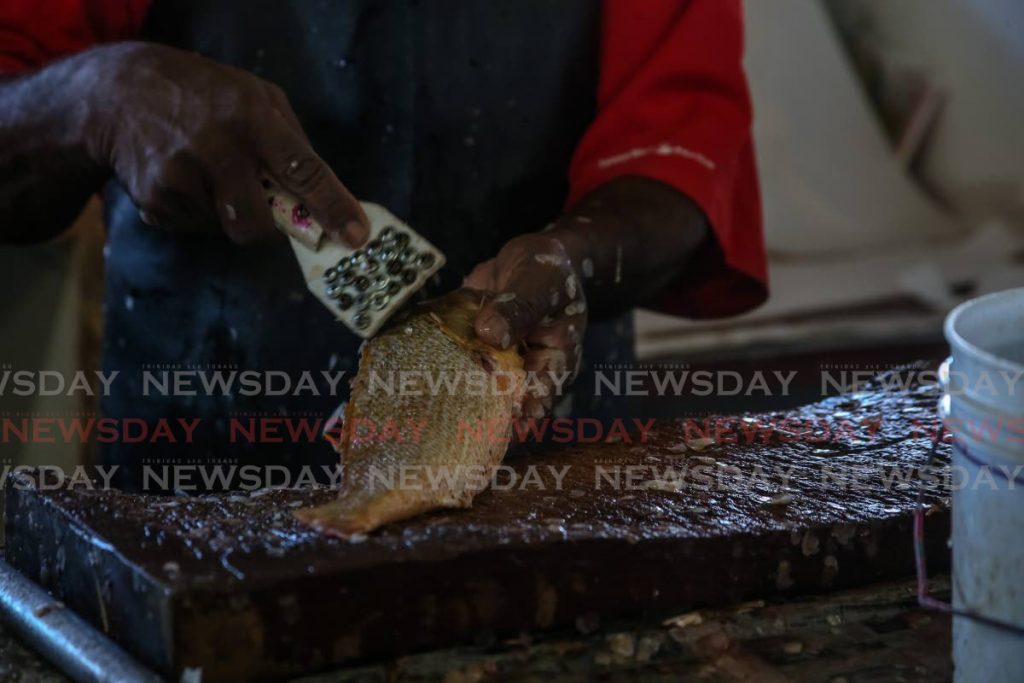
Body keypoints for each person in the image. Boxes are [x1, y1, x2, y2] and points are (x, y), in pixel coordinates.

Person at [0, 0, 767, 489]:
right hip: (203, 472)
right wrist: (92, 97)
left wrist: (577, 256)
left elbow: (679, 144)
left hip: (539, 467)